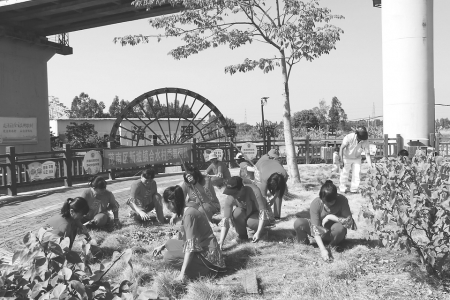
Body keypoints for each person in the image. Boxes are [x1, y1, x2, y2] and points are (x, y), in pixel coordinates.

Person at [153, 186, 226, 281]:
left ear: (171, 202)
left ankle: (206, 271)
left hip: (208, 257)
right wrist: (162, 246)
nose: (167, 207)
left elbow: (191, 247)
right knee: (168, 243)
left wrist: (182, 274)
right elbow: (186, 239)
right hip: (200, 247)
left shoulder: (189, 215)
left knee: (168, 257)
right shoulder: (187, 210)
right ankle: (195, 266)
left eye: (166, 204)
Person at [293, 180, 356, 261]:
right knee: (299, 223)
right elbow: (315, 228)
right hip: (319, 231)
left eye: (329, 203)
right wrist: (322, 249)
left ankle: (331, 246)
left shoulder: (342, 200)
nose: (325, 204)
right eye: (323, 201)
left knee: (340, 228)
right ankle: (304, 244)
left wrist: (331, 216)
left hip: (334, 234)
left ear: (335, 198)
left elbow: (350, 223)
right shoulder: (316, 203)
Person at [219, 177, 271, 247]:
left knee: (251, 222)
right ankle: (242, 237)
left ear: (242, 189)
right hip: (246, 211)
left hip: (259, 212)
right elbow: (225, 220)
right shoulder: (231, 197)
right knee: (236, 213)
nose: (233, 195)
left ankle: (262, 231)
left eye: (234, 193)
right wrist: (221, 240)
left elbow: (262, 212)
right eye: (230, 193)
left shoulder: (254, 190)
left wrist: (258, 232)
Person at [339, 126, 372, 194]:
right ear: (356, 134)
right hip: (346, 157)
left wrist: (370, 166)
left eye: (362, 139)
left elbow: (367, 154)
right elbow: (341, 148)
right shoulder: (349, 137)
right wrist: (341, 160)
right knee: (344, 173)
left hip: (357, 158)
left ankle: (354, 189)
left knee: (357, 174)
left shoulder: (365, 141)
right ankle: (342, 189)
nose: (361, 140)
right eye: (360, 138)